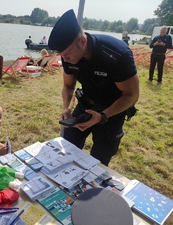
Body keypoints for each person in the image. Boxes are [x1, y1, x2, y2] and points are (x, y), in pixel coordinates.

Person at [48, 9, 139, 166]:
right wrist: (66, 108)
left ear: (82, 41)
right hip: (85, 105)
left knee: (99, 161)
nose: (65, 59)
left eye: (67, 54)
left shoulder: (116, 54)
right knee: (68, 148)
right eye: (62, 55)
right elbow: (68, 85)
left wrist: (103, 115)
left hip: (111, 112)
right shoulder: (68, 56)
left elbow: (131, 95)